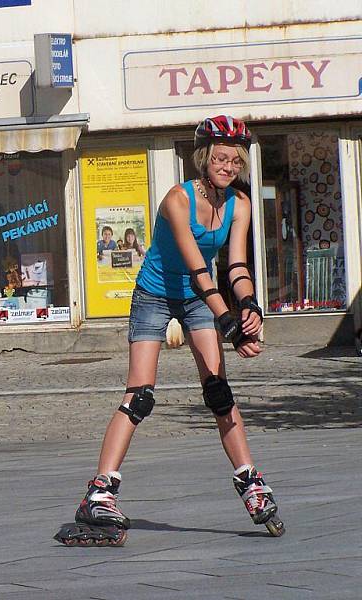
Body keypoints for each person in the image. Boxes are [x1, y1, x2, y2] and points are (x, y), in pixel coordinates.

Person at [55, 116, 284, 548]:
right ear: (203, 158)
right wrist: (227, 320)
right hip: (156, 294)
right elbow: (197, 267)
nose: (227, 166)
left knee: (219, 391)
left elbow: (234, 265)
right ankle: (100, 490)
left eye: (235, 160)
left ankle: (251, 482)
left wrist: (249, 307)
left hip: (202, 297)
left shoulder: (240, 204)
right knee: (139, 393)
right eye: (220, 157)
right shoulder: (176, 200)